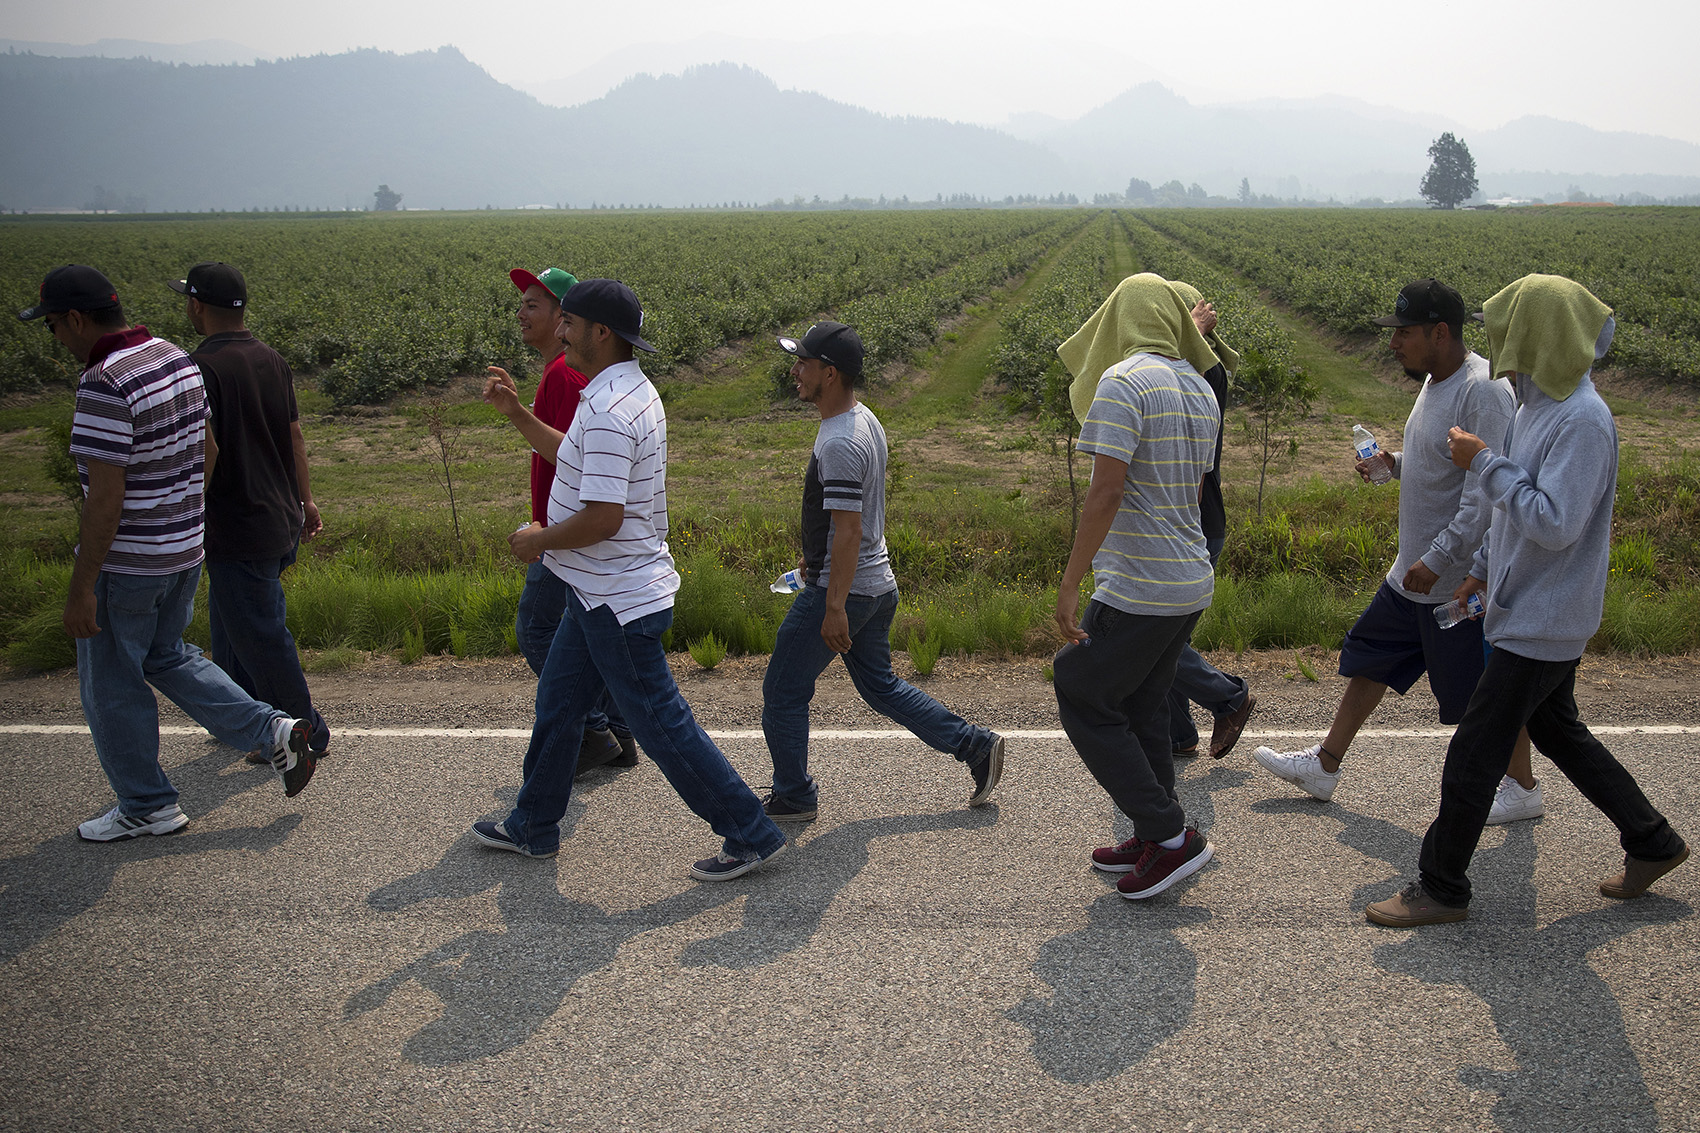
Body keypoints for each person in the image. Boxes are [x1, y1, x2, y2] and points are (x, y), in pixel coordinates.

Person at [1368, 275, 1687, 926]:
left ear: (1538, 331)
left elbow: (1554, 520)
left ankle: (1442, 885)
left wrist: (1484, 460)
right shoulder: (1533, 404)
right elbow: (1512, 516)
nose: (1496, 340)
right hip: (1525, 606)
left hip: (1546, 617)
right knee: (1558, 730)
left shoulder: (1583, 420)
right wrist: (1483, 568)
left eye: (1508, 325)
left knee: (1475, 750)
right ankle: (1652, 840)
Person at [474, 278, 786, 880]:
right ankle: (533, 825)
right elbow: (574, 454)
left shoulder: (614, 410)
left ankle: (750, 831)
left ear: (601, 333)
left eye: (570, 322)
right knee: (560, 703)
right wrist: (517, 415)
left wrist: (538, 541)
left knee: (661, 723)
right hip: (595, 591)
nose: (559, 330)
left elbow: (603, 517)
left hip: (616, 601)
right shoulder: (619, 392)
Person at [20, 265, 315, 840]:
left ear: (76, 319)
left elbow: (105, 498)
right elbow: (206, 448)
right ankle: (273, 730)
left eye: (52, 325)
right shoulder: (172, 356)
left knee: (111, 681)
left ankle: (147, 803)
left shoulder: (104, 382)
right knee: (168, 656)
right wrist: (181, 515)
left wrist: (82, 587)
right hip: (184, 548)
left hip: (128, 561)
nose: (54, 336)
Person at [1250, 278, 1537, 821]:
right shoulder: (1436, 381)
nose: (1392, 343)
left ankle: (1522, 787)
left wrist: (1439, 559)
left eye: (1403, 332)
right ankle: (1325, 765)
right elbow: (1441, 460)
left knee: (1485, 693)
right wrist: (1394, 464)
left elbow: (1487, 492)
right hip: (1413, 575)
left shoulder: (1484, 392)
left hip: (1453, 583)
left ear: (1440, 332)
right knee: (1371, 658)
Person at [759, 321, 1005, 822]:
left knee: (783, 691)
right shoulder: (861, 420)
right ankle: (976, 746)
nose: (795, 371)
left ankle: (794, 794)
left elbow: (849, 531)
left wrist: (832, 606)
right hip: (875, 584)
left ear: (829, 374)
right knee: (880, 687)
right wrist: (816, 552)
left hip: (845, 591)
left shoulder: (839, 442)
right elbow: (848, 519)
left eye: (803, 362)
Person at [1052, 273, 1223, 900]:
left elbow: (1106, 491)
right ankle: (1154, 836)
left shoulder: (1121, 384)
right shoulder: (1199, 389)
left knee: (1079, 689)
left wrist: (1072, 582)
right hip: (1189, 578)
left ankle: (1170, 835)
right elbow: (1196, 488)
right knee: (1143, 706)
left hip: (1139, 585)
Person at [171, 262, 330, 764]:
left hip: (239, 522)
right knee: (232, 621)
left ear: (197, 305)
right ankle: (241, 716)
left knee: (259, 633)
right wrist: (305, 500)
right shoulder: (271, 358)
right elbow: (294, 436)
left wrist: (186, 507)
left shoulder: (201, 368)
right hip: (279, 514)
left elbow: (206, 450)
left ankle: (305, 732)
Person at [486, 265, 635, 776]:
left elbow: (582, 462)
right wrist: (517, 410)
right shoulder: (560, 375)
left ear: (565, 320)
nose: (522, 313)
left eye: (535, 305)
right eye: (523, 303)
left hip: (566, 532)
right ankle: (616, 730)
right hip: (564, 529)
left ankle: (594, 731)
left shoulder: (565, 376)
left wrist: (548, 536)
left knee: (536, 628)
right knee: (587, 634)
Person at [1165, 284, 1256, 761]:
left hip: (1193, 520)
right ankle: (1176, 734)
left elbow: (1178, 386)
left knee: (1154, 640)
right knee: (1170, 634)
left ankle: (1229, 696)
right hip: (1190, 519)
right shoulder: (1192, 365)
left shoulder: (1204, 371)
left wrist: (1190, 338)